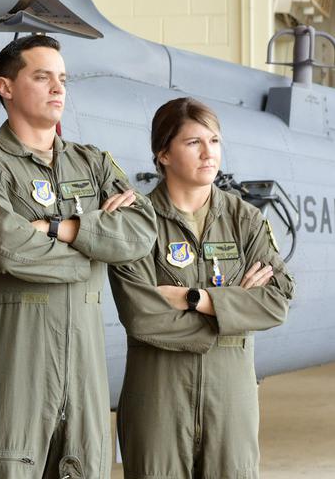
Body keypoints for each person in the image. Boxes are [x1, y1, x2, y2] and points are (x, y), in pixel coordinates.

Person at [0, 34, 157, 479]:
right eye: (42, 77)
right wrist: (97, 248)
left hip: (84, 364)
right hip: (14, 358)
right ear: (6, 87)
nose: (58, 88)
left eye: (62, 78)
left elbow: (140, 233)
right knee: (3, 466)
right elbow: (10, 250)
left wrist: (61, 229)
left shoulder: (93, 162)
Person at [108, 97, 294, 478]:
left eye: (215, 141)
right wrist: (233, 311)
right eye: (194, 142)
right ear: (163, 153)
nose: (209, 153)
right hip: (158, 399)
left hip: (230, 400)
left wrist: (199, 300)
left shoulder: (246, 220)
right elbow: (143, 317)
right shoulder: (138, 222)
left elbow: (276, 301)